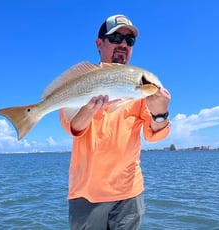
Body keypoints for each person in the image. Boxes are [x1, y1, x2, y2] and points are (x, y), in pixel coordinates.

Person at [60, 14, 171, 230]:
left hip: (129, 194)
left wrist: (160, 113)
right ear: (99, 43)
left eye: (129, 41)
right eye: (116, 37)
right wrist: (87, 112)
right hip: (87, 194)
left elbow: (154, 134)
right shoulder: (82, 82)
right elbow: (72, 127)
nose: (123, 44)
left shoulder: (138, 89)